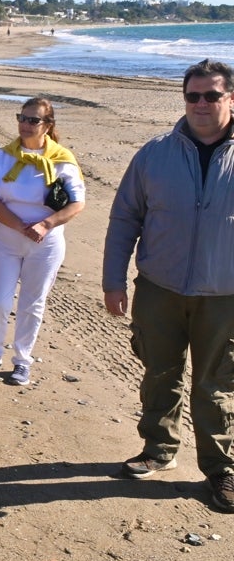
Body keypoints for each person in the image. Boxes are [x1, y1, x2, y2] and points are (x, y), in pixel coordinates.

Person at [103, 58, 234, 514]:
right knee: (160, 372)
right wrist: (112, 280)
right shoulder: (155, 153)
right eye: (193, 95)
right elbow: (125, 219)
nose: (201, 104)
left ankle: (220, 470)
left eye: (212, 95)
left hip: (224, 296)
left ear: (230, 99)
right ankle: (158, 448)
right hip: (159, 288)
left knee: (215, 384)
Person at [0, 98, 85, 386]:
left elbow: (76, 203)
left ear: (48, 125)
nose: (25, 124)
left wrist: (46, 224)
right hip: (7, 238)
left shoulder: (62, 160)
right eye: (22, 117)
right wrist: (20, 225)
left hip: (45, 243)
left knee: (31, 304)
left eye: (33, 120)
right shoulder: (2, 157)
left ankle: (22, 360)